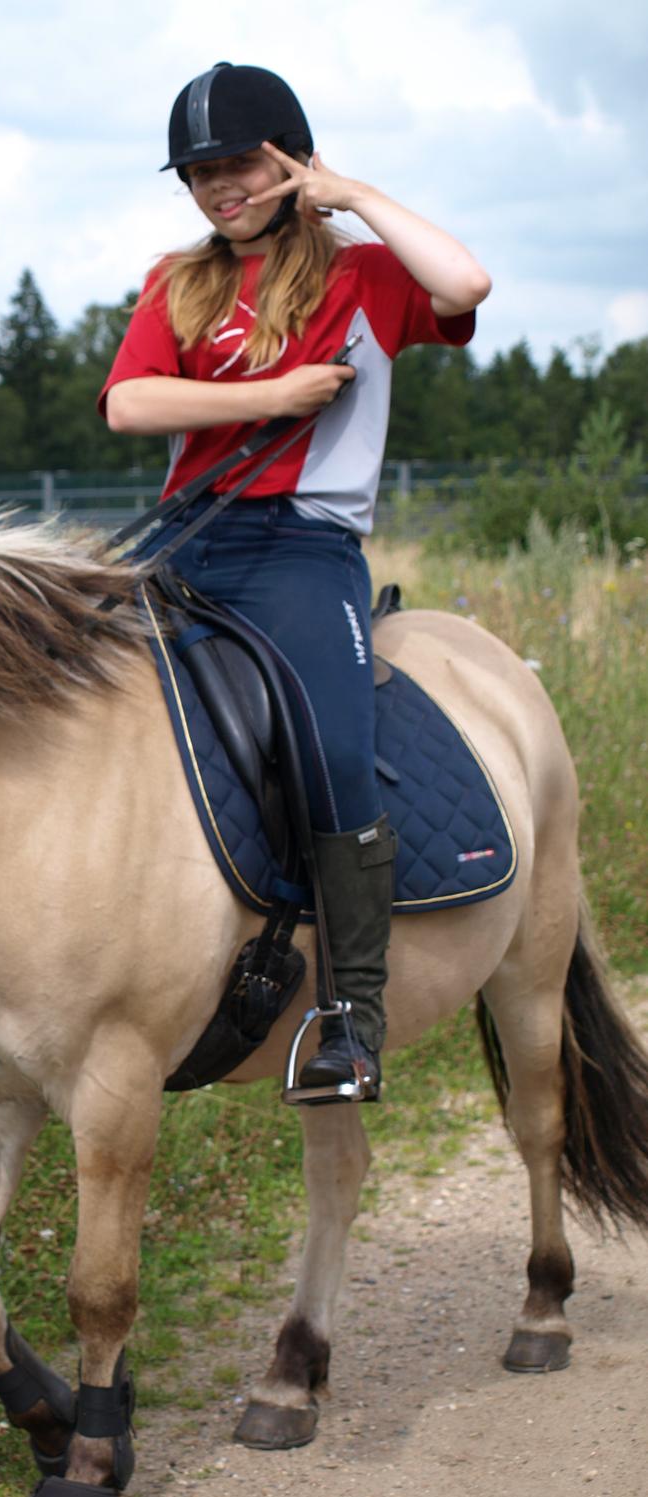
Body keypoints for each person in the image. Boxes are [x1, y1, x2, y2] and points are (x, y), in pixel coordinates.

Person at [100, 62, 491, 1099]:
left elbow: (465, 286)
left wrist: (351, 193)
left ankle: (352, 1019)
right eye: (198, 173)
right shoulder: (174, 280)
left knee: (332, 747)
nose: (217, 187)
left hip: (303, 548)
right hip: (185, 540)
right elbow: (128, 406)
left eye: (237, 164)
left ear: (287, 160)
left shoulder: (362, 274)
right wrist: (274, 396)